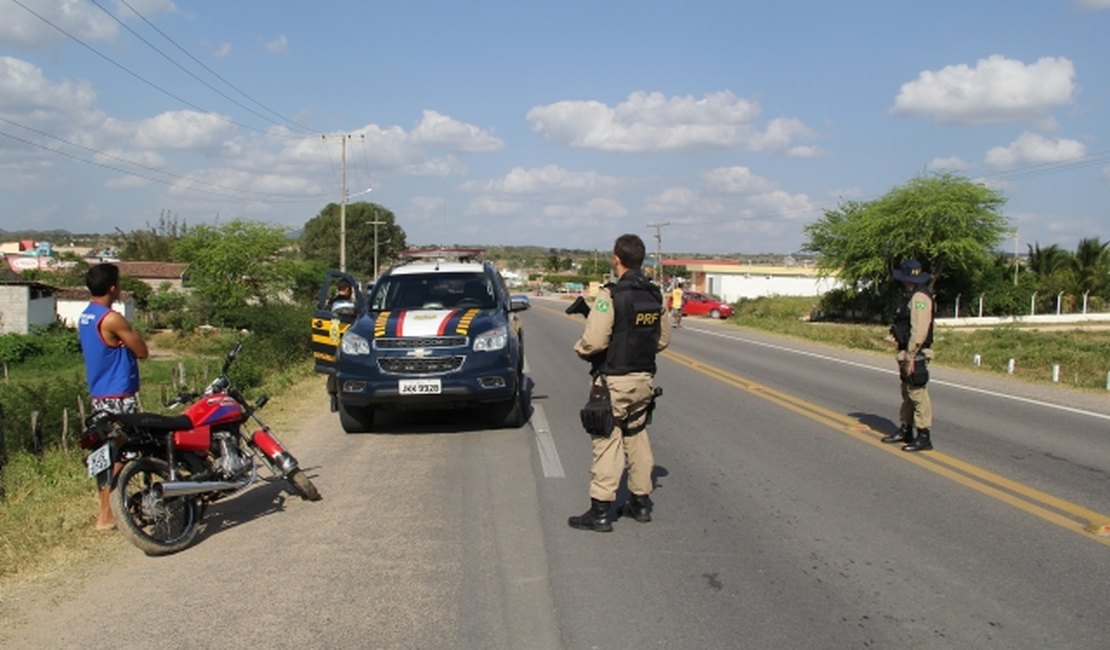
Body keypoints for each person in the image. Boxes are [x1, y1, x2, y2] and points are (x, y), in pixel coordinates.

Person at [568, 234, 670, 532]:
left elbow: (595, 341)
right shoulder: (654, 294)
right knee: (637, 438)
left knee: (607, 440)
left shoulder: (610, 295)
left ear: (616, 259)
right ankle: (640, 504)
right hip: (644, 379)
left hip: (614, 380)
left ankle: (600, 511)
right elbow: (662, 339)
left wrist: (581, 349)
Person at [78, 263, 149, 530]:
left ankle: (105, 512)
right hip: (119, 394)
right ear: (112, 287)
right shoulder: (112, 319)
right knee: (122, 451)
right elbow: (141, 351)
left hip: (99, 395)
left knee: (104, 454)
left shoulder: (86, 316)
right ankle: (112, 513)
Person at [881, 259, 936, 452]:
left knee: (917, 393)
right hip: (907, 350)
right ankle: (906, 428)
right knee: (907, 392)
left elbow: (919, 331)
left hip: (916, 352)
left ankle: (923, 435)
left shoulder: (920, 298)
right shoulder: (911, 295)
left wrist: (911, 356)